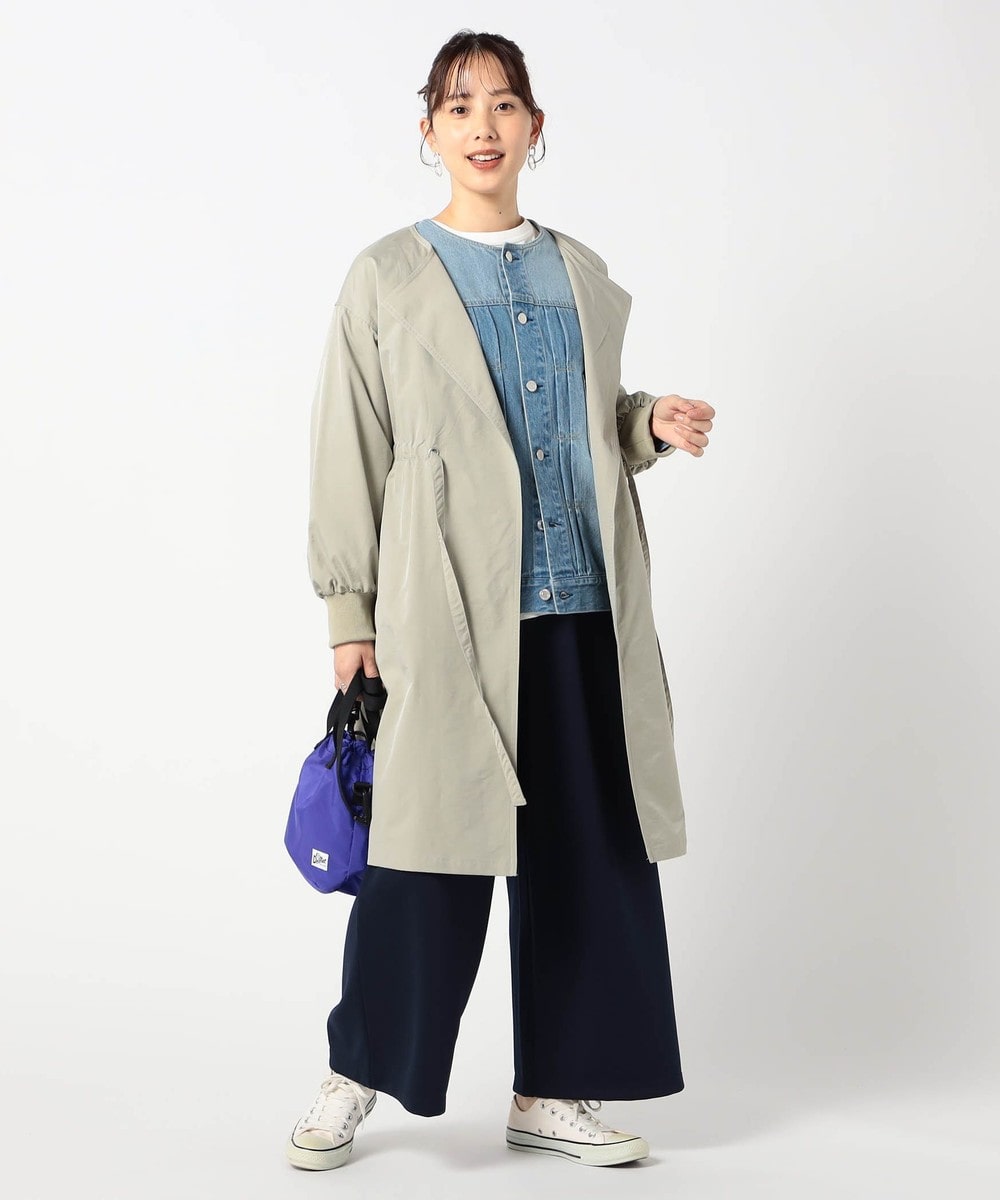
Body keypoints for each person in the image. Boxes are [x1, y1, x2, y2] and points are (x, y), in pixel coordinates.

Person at [285, 28, 715, 1171]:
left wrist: (645, 424)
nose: (483, 124)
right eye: (459, 104)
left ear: (534, 128)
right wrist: (349, 614)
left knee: (587, 856)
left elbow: (581, 424)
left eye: (504, 103)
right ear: (428, 131)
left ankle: (555, 1089)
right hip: (446, 616)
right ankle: (357, 1070)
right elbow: (349, 447)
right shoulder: (386, 276)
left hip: (578, 605)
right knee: (423, 858)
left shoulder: (578, 271)